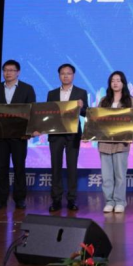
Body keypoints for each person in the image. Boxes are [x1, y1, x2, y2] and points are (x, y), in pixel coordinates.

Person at [0, 60, 36, 211]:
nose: (8, 73)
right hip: (0, 136)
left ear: (18, 72)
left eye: (11, 70)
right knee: (1, 167)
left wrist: (29, 131)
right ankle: (1, 200)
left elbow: (32, 112)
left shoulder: (27, 89)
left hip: (19, 136)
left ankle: (20, 199)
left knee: (19, 167)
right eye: (5, 70)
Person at [46, 63, 89, 212]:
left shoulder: (81, 92)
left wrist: (81, 107)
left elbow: (86, 113)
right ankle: (56, 200)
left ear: (73, 75)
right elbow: (48, 113)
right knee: (55, 167)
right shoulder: (52, 94)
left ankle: (71, 199)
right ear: (59, 76)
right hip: (56, 135)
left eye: (68, 73)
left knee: (72, 167)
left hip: (73, 135)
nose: (65, 76)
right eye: (63, 73)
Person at [98, 71, 133, 213]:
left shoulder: (129, 100)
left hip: (121, 142)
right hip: (105, 142)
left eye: (118, 80)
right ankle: (109, 201)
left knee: (120, 174)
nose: (115, 83)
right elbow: (97, 120)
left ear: (123, 83)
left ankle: (120, 201)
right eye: (113, 80)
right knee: (106, 175)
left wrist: (131, 134)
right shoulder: (103, 101)